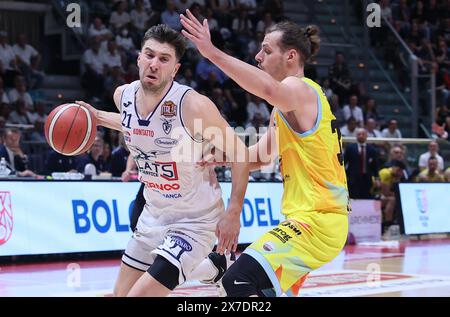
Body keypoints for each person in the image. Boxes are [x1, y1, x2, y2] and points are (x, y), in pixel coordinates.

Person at [181, 12, 349, 297]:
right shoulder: (285, 105)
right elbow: (264, 155)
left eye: (266, 50)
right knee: (251, 291)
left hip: (317, 221)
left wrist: (212, 53)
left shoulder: (298, 88)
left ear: (291, 56)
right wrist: (228, 156)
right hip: (314, 222)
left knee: (237, 281)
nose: (258, 56)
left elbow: (267, 88)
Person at [76, 24, 249, 297]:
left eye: (163, 59)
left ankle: (213, 264)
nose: (154, 64)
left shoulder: (193, 106)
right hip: (152, 216)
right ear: (138, 58)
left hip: (195, 221)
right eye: (149, 55)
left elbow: (241, 153)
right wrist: (96, 116)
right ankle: (216, 268)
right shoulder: (123, 96)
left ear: (175, 69)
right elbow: (134, 124)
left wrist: (234, 212)